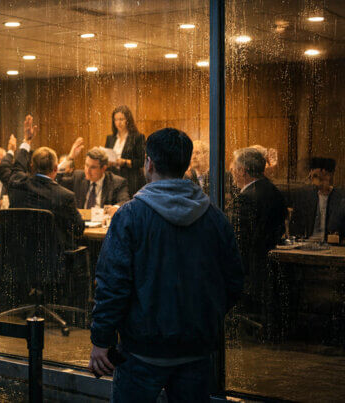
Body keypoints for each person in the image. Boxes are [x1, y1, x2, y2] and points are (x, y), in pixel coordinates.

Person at [89, 128, 243, 402]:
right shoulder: (215, 218)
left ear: (149, 163)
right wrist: (204, 321)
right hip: (196, 349)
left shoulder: (130, 216)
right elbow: (233, 283)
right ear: (185, 165)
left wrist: (102, 339)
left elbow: (113, 284)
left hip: (141, 351)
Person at [0, 115, 84, 249]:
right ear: (55, 169)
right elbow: (79, 229)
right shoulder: (65, 196)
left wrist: (27, 140)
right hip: (52, 263)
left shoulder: (16, 183)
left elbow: (18, 166)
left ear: (31, 166)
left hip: (18, 259)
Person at [229, 147, 286, 325]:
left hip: (250, 268)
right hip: (270, 265)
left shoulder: (246, 198)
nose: (232, 173)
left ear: (242, 171)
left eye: (233, 169)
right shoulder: (274, 191)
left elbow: (238, 239)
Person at [57, 139, 130, 209]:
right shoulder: (78, 177)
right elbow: (56, 181)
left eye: (93, 167)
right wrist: (70, 158)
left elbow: (124, 202)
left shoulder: (117, 182)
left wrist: (114, 208)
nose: (87, 171)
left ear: (103, 168)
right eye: (86, 165)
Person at [289, 157, 345, 239]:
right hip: (308, 243)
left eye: (316, 176)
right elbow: (295, 226)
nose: (312, 179)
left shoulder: (340, 198)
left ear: (327, 175)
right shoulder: (304, 196)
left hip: (332, 246)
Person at [104, 105, 146, 196]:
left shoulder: (137, 137)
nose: (118, 123)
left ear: (128, 120)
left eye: (121, 119)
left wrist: (125, 162)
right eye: (116, 120)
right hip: (113, 179)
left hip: (130, 180)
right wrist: (108, 162)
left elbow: (142, 161)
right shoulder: (110, 138)